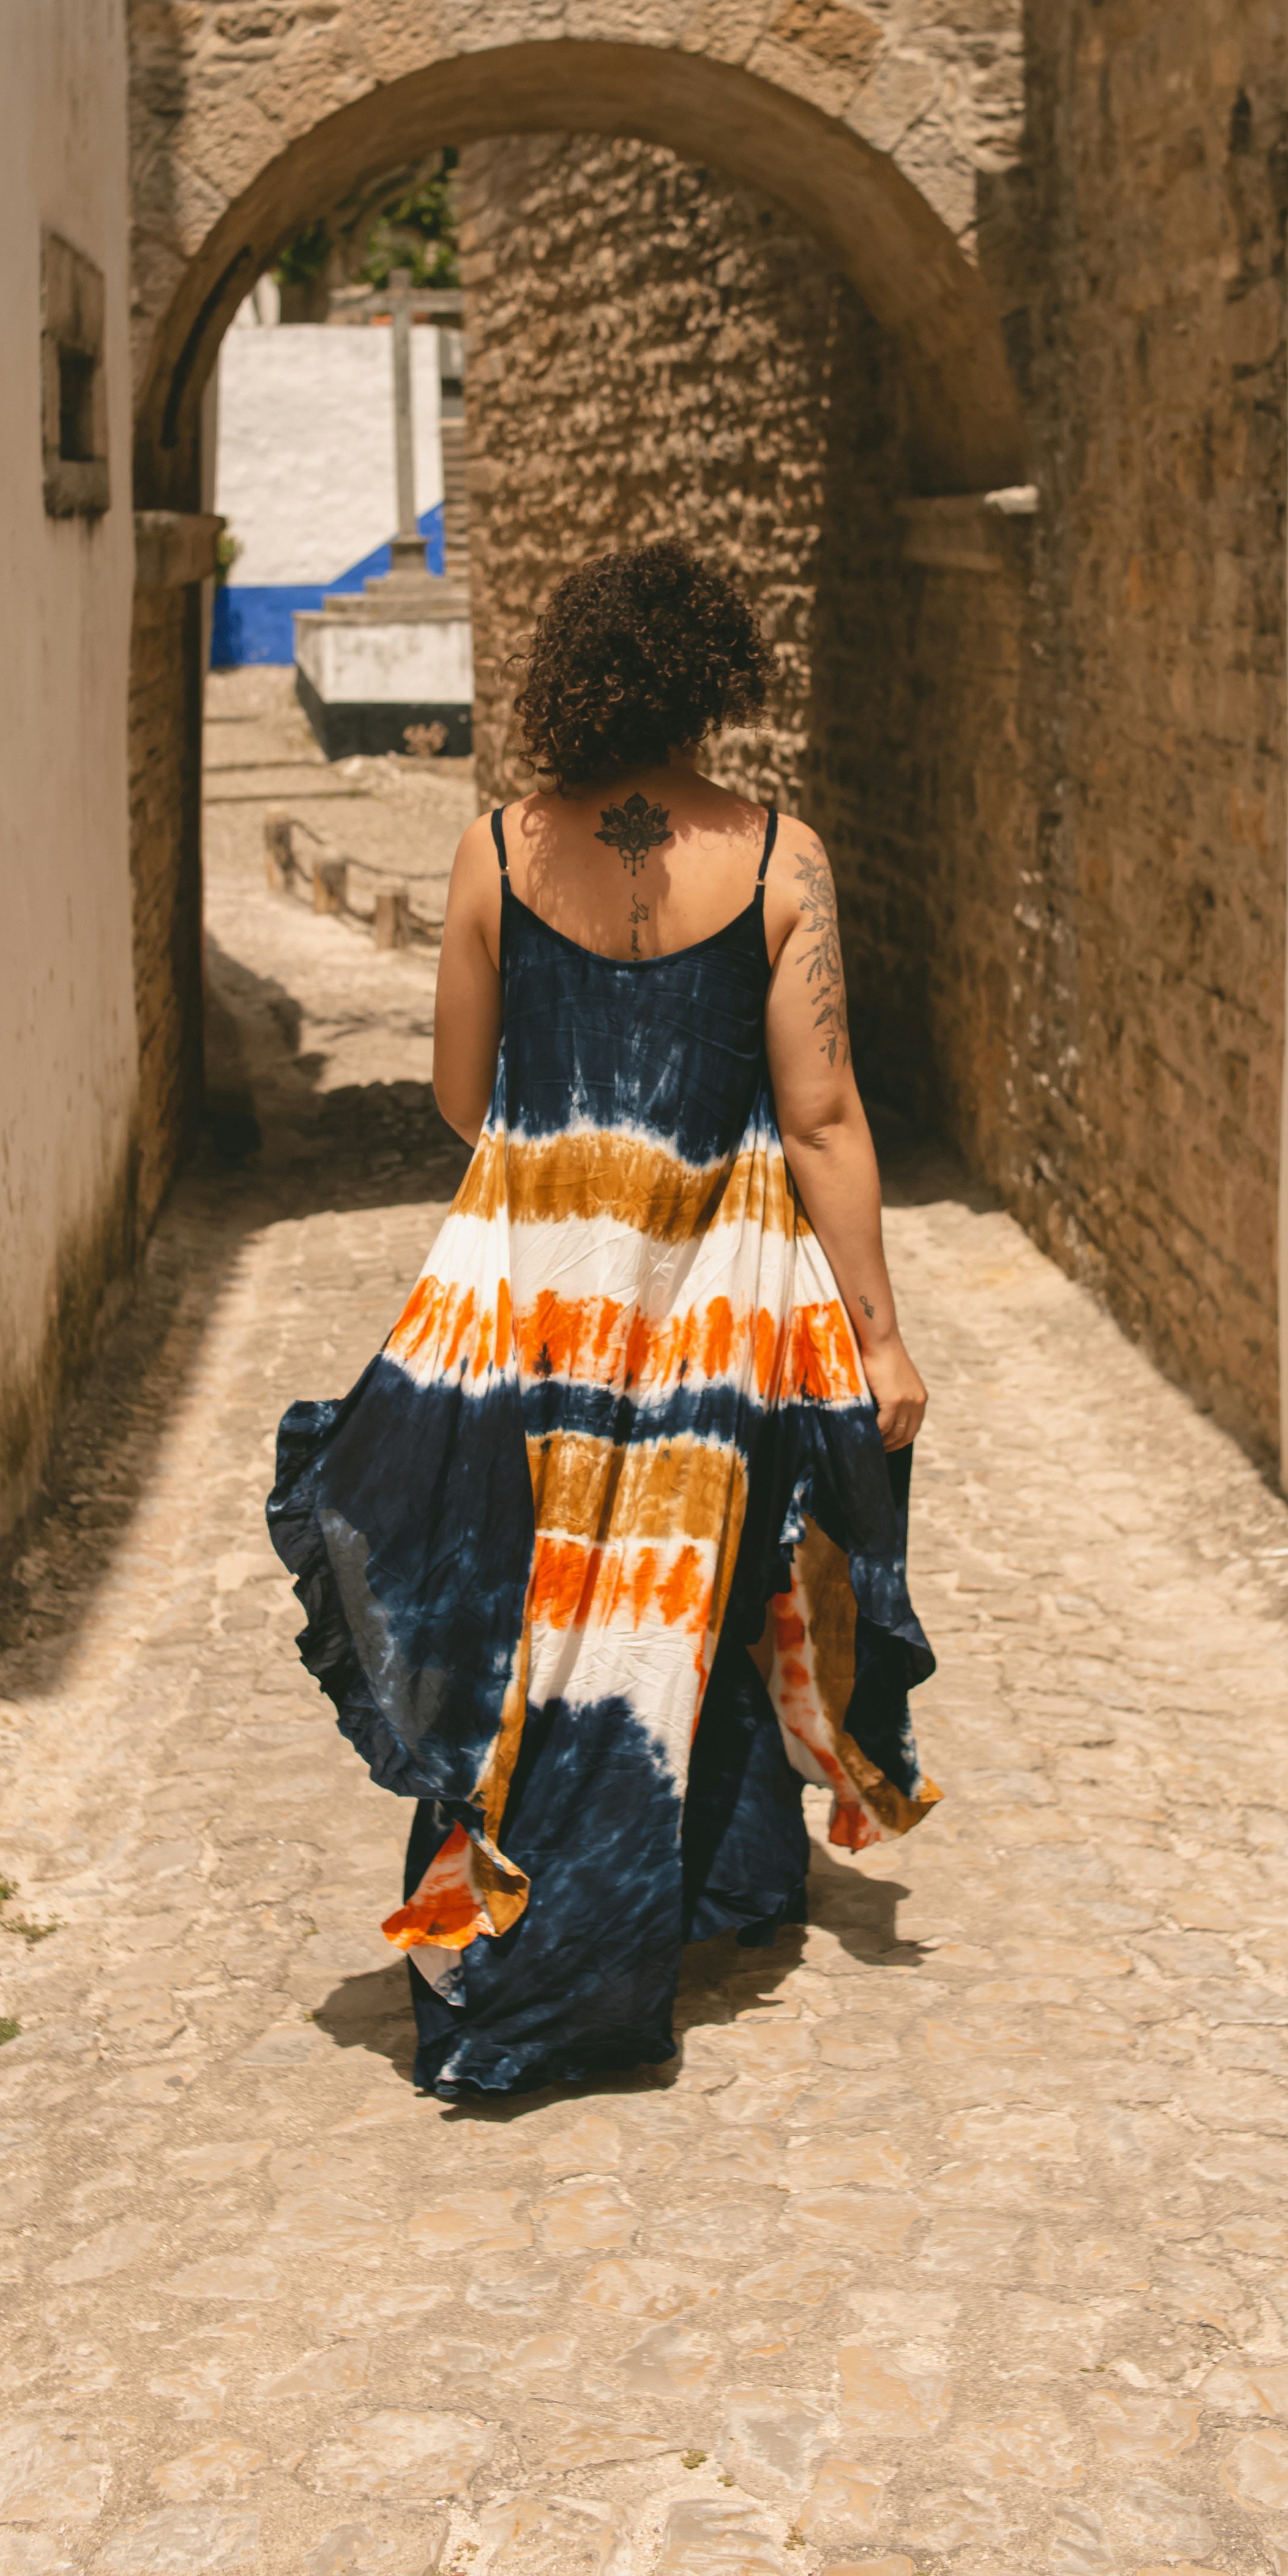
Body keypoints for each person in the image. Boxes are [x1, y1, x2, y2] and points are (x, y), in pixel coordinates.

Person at [267, 539, 939, 2098]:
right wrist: (881, 1337)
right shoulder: (783, 861)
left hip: (533, 1305)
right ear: (713, 678)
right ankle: (646, 1911)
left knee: (542, 1606)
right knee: (674, 1602)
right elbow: (823, 1112)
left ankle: (557, 1883)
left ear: (576, 674)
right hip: (713, 1311)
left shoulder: (495, 851)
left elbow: (456, 1093)